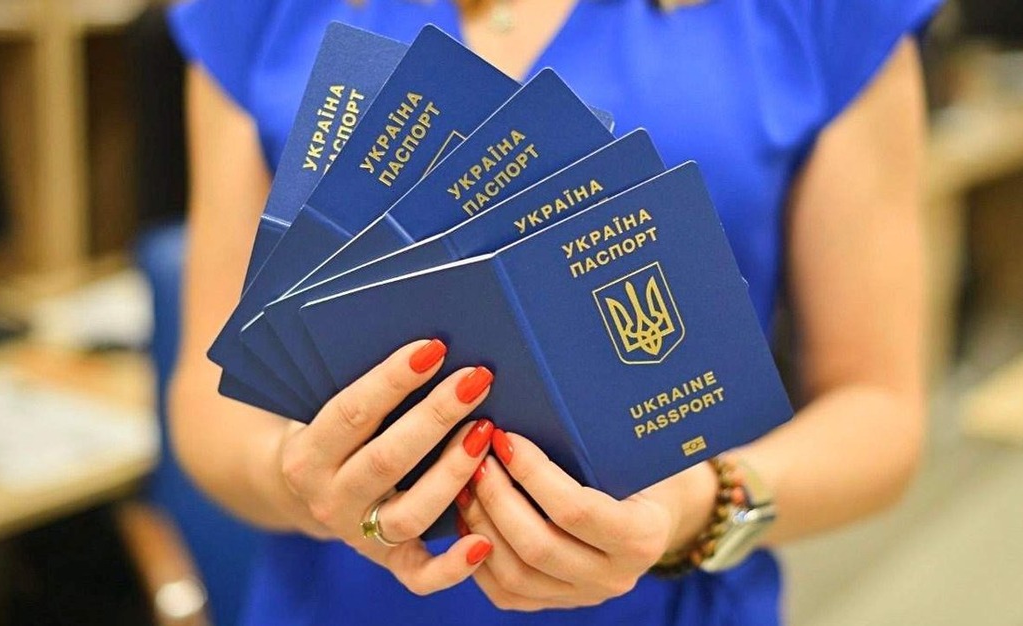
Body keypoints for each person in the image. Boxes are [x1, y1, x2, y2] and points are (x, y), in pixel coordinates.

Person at [167, 0, 940, 623]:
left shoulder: (820, 14)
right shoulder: (262, 13)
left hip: (663, 601)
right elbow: (209, 395)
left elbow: (878, 406)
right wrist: (302, 479)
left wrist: (696, 507)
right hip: (345, 600)